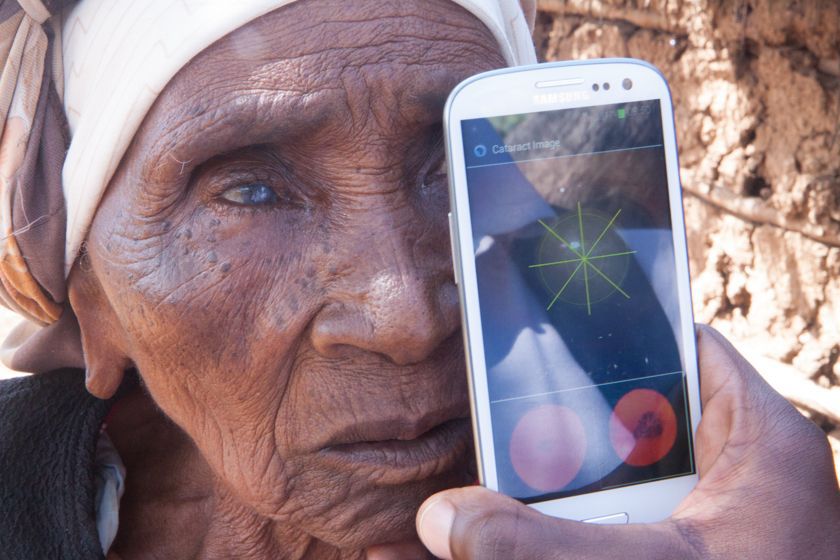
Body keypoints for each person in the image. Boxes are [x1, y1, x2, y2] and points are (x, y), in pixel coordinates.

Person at [0, 1, 836, 560]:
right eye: (248, 191)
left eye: (455, 164)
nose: (407, 317)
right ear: (94, 304)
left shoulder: (679, 514)